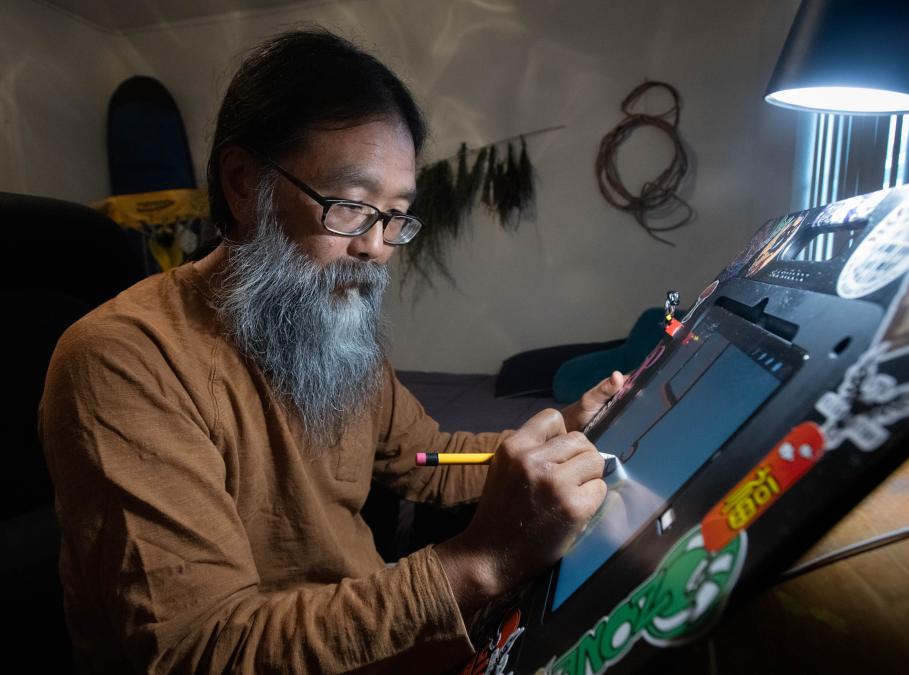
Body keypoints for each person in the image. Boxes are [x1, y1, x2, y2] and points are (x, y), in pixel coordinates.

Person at [39, 28, 623, 674]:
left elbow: (425, 458)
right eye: (350, 205)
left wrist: (561, 430)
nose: (377, 247)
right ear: (242, 184)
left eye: (396, 215)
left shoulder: (330, 329)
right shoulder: (123, 358)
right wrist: (481, 561)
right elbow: (200, 647)